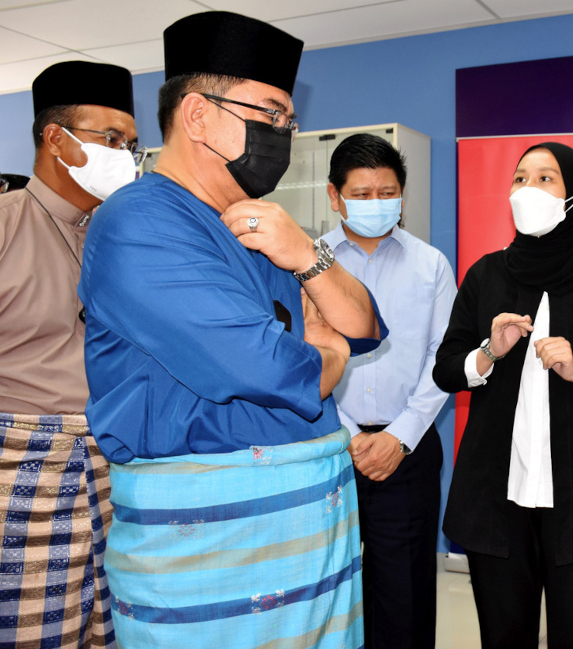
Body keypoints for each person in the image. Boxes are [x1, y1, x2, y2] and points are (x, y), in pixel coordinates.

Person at [77, 12, 383, 648]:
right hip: (214, 542)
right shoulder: (140, 223)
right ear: (196, 115)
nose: (283, 133)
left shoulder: (256, 222)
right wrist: (324, 351)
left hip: (305, 529)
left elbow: (366, 326)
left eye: (288, 121)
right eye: (270, 113)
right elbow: (273, 369)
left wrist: (307, 256)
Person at [433, 142, 573, 648]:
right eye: (519, 178)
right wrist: (488, 353)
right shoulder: (484, 275)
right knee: (503, 637)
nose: (527, 189)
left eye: (545, 178)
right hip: (497, 500)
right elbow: (446, 372)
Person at [0, 59, 140, 649]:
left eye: (132, 145)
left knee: (108, 630)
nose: (125, 156)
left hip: (112, 465)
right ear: (55, 139)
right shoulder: (5, 224)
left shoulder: (117, 237)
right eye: (110, 139)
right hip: (19, 470)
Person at [319, 133, 456, 649]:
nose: (377, 203)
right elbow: (303, 360)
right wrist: (348, 435)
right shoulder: (309, 262)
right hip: (331, 447)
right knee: (334, 590)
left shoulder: (431, 265)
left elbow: (441, 360)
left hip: (410, 450)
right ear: (335, 196)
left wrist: (398, 437)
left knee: (405, 593)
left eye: (387, 192)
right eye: (362, 193)